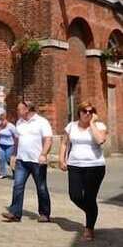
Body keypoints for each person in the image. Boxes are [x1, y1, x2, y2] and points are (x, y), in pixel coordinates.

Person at [59, 100, 108, 241]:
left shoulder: (99, 126)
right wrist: (61, 159)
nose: (87, 114)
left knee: (89, 197)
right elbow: (64, 143)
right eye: (85, 111)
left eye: (90, 111)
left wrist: (92, 124)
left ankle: (89, 228)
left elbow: (100, 140)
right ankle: (92, 212)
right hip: (75, 166)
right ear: (79, 112)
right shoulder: (71, 126)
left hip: (95, 167)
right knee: (75, 195)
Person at [2, 101, 53, 223]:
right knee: (17, 185)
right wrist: (14, 154)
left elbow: (48, 139)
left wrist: (43, 154)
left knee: (41, 187)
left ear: (27, 109)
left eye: (19, 109)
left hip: (37, 161)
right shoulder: (19, 122)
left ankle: (44, 214)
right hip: (22, 160)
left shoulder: (42, 122)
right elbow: (17, 140)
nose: (17, 111)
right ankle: (15, 213)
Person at [0, 113, 18, 179]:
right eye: (0, 120)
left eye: (3, 120)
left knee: (9, 160)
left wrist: (16, 145)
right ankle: (3, 174)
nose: (2, 121)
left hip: (10, 145)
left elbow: (16, 135)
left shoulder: (11, 126)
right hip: (1, 145)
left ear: (6, 119)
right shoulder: (0, 125)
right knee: (1, 159)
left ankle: (15, 173)